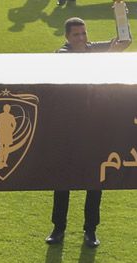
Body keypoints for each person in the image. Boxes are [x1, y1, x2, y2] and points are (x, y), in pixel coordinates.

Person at [48, 17, 129, 246]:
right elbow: (84, 67)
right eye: (76, 35)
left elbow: (121, 42)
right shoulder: (62, 55)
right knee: (63, 180)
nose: (82, 38)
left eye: (84, 33)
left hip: (95, 128)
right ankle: (58, 228)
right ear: (67, 37)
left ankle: (90, 230)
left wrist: (121, 18)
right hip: (69, 128)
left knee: (95, 181)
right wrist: (111, 55)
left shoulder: (92, 49)